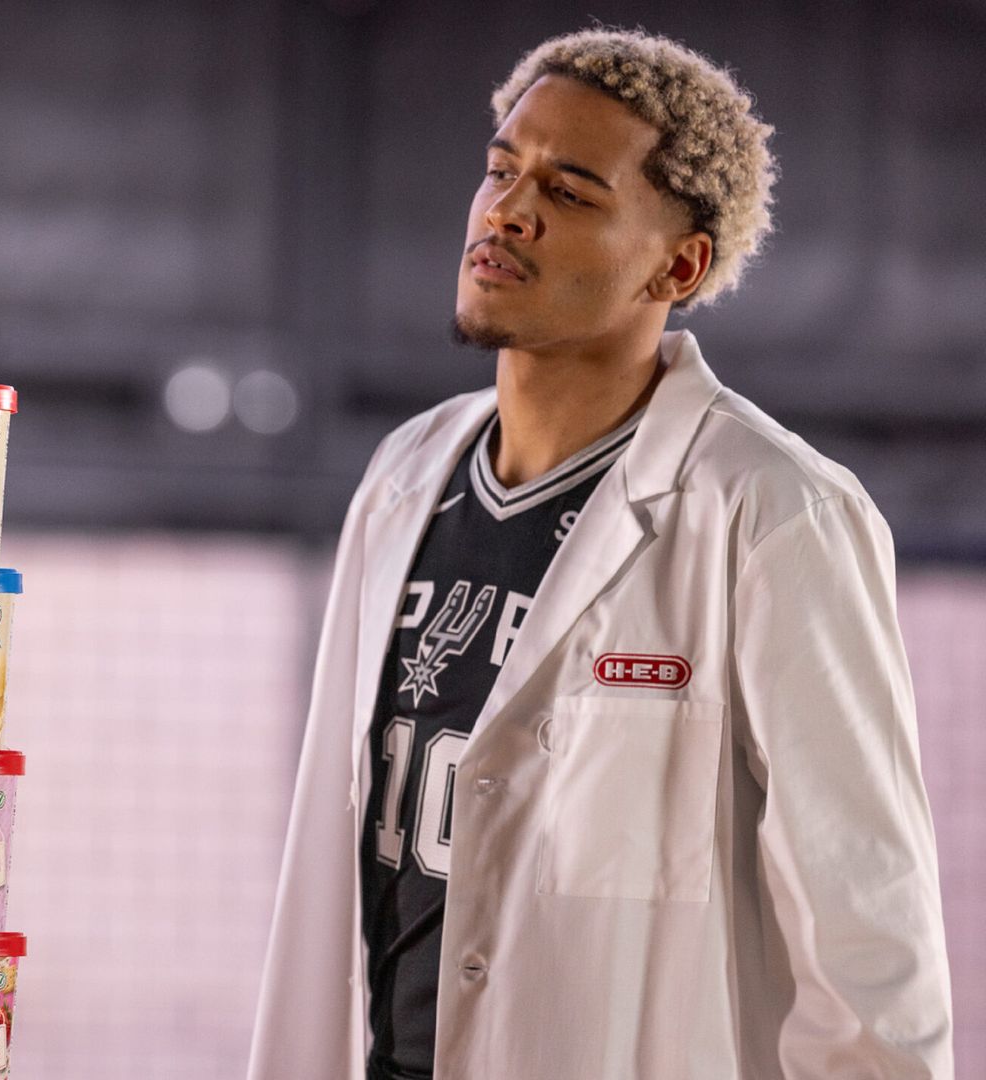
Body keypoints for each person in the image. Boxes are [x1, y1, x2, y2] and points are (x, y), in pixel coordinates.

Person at [248, 28, 952, 1080]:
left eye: (569, 192)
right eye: (501, 170)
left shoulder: (774, 512)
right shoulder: (404, 474)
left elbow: (872, 946)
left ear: (679, 264)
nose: (507, 210)